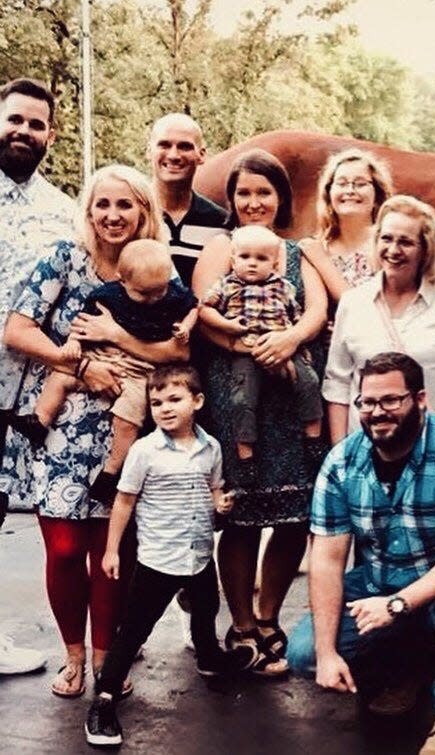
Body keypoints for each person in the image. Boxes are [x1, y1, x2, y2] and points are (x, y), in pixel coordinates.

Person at [3, 164, 185, 698]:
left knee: (112, 549)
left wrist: (115, 338)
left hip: (123, 426)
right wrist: (81, 365)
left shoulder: (157, 268)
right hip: (59, 423)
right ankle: (73, 654)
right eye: (102, 204)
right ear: (88, 211)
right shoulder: (65, 258)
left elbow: (178, 349)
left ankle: (107, 657)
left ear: (144, 212)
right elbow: (17, 329)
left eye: (125, 205)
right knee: (63, 548)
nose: (113, 215)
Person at [287, 352, 435, 755]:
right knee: (303, 653)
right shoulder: (341, 462)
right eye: (368, 403)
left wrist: (396, 605)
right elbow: (327, 559)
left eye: (391, 400)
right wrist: (326, 653)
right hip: (381, 577)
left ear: (420, 399)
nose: (377, 412)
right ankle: (406, 664)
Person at [192, 148, 328, 676]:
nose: (254, 203)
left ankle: (270, 616)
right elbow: (205, 313)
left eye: (264, 193)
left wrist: (289, 340)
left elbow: (315, 309)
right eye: (244, 193)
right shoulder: (222, 246)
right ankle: (243, 624)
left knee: (294, 513)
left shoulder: (296, 251)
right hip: (237, 392)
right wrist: (254, 348)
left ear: (281, 198)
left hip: (293, 394)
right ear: (231, 198)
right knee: (243, 516)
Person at [84, 364, 255, 749]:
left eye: (174, 399)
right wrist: (112, 550)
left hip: (198, 554)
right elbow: (125, 501)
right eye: (156, 401)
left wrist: (220, 503)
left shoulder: (211, 447)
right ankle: (105, 699)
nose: (163, 408)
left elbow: (213, 486)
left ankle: (209, 660)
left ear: (197, 401)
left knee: (206, 609)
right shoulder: (144, 451)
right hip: (157, 561)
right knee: (133, 632)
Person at [7, 240, 197, 490]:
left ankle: (111, 471)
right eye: (142, 293)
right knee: (60, 378)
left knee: (128, 416)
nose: (152, 300)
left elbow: (193, 309)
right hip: (99, 357)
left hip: (139, 369)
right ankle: (39, 421)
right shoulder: (108, 295)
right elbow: (83, 321)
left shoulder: (167, 289)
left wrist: (185, 326)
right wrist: (74, 344)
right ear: (122, 280)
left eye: (158, 292)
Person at [0, 77, 75, 675]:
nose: (22, 131)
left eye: (35, 124)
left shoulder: (62, 213)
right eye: (14, 119)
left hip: (24, 395)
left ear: (50, 136)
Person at [323, 195, 435, 444]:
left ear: (425, 249)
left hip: (432, 447)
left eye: (406, 242)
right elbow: (338, 384)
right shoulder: (353, 302)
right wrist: (341, 452)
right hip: (367, 448)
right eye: (386, 238)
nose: (393, 250)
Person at [199, 224, 321, 461]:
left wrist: (297, 343)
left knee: (309, 382)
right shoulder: (227, 285)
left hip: (284, 344)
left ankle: (313, 439)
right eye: (245, 257)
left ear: (274, 264)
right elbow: (204, 309)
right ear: (234, 261)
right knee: (242, 397)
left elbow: (297, 316)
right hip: (245, 348)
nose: (252, 263)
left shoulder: (284, 287)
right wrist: (227, 325)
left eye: (261, 258)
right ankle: (246, 455)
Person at [299, 147, 390, 303]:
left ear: (377, 194)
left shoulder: (388, 245)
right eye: (341, 183)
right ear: (328, 194)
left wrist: (322, 262)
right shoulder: (315, 248)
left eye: (360, 184)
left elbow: (372, 309)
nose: (350, 190)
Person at [148, 113, 227, 286]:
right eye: (164, 145)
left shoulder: (221, 224)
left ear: (201, 155)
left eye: (185, 147)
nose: (174, 155)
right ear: (149, 151)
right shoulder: (133, 215)